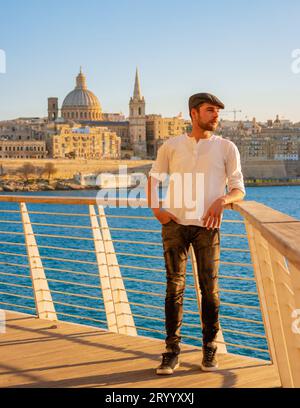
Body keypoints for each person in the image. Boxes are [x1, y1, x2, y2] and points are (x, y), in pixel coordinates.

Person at [146, 93, 246, 375]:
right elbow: (154, 178)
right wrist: (158, 210)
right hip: (174, 224)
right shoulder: (172, 145)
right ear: (194, 113)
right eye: (210, 110)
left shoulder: (227, 147)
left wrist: (222, 200)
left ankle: (210, 348)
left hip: (208, 227)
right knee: (173, 289)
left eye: (217, 112)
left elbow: (239, 188)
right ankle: (171, 350)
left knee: (210, 291)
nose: (216, 116)